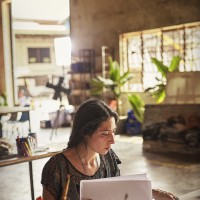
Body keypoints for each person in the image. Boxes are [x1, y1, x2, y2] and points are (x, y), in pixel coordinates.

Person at [41, 98, 121, 200]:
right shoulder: (57, 167)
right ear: (85, 132)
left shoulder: (109, 158)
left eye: (113, 131)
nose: (112, 140)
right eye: (105, 133)